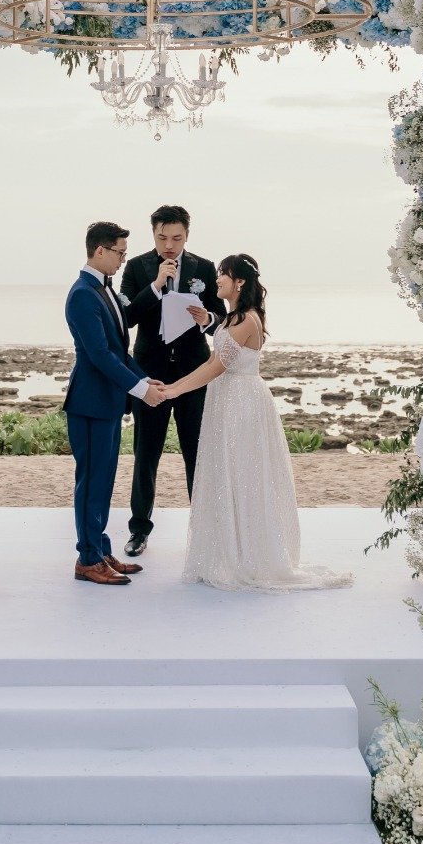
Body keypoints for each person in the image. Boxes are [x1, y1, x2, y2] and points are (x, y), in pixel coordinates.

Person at [163, 254, 352, 592]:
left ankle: (250, 556)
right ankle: (226, 551)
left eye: (224, 274)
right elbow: (212, 362)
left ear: (239, 283)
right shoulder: (230, 318)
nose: (217, 278)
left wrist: (175, 388)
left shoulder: (248, 320)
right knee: (225, 472)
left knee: (244, 474)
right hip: (225, 399)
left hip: (242, 402)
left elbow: (217, 365)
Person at [63, 221, 165, 586]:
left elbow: (120, 351)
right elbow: (100, 355)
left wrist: (144, 377)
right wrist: (140, 390)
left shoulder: (102, 290)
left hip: (106, 404)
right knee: (91, 484)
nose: (124, 259)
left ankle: (101, 549)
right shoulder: (82, 294)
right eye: (120, 252)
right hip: (89, 405)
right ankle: (87, 560)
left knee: (104, 482)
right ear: (100, 250)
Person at [120, 205, 222, 559]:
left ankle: (203, 533)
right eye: (163, 237)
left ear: (186, 236)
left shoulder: (205, 268)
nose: (169, 245)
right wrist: (156, 285)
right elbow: (128, 317)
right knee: (145, 454)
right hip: (152, 374)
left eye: (176, 238)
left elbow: (221, 316)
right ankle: (138, 531)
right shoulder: (136, 268)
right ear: (153, 234)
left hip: (194, 374)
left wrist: (207, 317)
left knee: (197, 453)